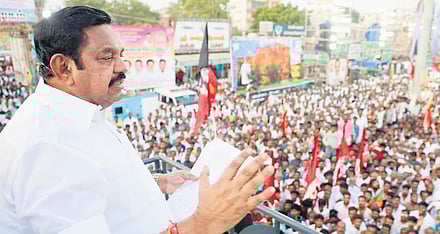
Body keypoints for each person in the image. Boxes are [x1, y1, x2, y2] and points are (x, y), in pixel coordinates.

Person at [0, 6, 275, 234]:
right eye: (107, 57)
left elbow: (95, 187)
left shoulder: (79, 111)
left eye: (121, 55)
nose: (122, 67)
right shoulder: (46, 146)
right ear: (64, 67)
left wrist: (157, 182)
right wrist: (204, 223)